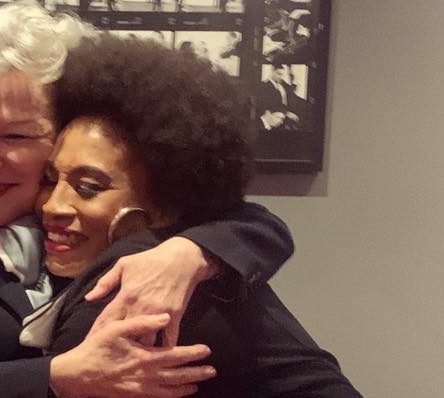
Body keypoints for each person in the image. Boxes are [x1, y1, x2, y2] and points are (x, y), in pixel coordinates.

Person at [0, 3, 294, 397]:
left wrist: (190, 254)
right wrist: (58, 377)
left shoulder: (117, 215)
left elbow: (254, 224)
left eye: (17, 135)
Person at [19, 34, 361, 397]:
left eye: (89, 187)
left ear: (165, 201)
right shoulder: (205, 255)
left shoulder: (125, 301)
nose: (54, 205)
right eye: (50, 179)